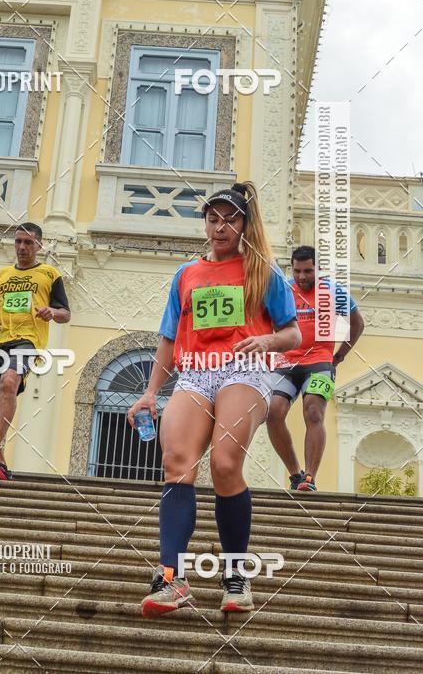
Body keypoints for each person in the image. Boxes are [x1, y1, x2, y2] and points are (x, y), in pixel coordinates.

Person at [127, 182, 300, 616]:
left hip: (246, 370)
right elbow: (169, 340)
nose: (219, 226)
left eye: (230, 219)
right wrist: (150, 392)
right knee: (176, 462)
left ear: (244, 224)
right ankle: (172, 579)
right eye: (212, 218)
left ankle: (236, 576)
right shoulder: (186, 274)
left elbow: (294, 334)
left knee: (224, 464)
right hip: (196, 374)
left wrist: (266, 339)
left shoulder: (263, 271)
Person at [0, 222, 70, 481]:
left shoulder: (49, 274)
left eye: (28, 242)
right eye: (18, 242)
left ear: (39, 245)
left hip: (28, 341)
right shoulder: (2, 275)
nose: (22, 247)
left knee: (9, 382)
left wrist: (52, 312)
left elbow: (65, 313)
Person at [267, 245, 364, 492]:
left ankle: (310, 478)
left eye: (308, 271)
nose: (302, 277)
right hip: (285, 363)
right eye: (298, 271)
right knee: (273, 413)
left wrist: (340, 355)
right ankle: (295, 475)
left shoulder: (333, 291)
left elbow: (358, 323)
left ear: (318, 270)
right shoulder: (284, 290)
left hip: (319, 361)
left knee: (313, 412)